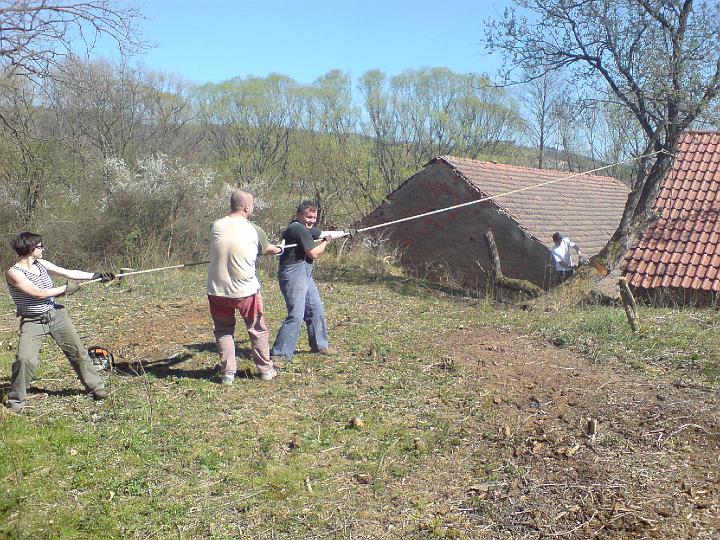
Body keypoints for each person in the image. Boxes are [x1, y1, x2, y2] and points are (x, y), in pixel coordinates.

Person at [4, 232, 115, 413]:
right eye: (40, 246)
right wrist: (65, 289)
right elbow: (37, 293)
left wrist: (96, 276)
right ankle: (16, 401)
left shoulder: (42, 264)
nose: (43, 249)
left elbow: (68, 272)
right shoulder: (13, 273)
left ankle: (95, 386)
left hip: (56, 315)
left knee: (78, 352)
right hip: (33, 321)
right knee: (24, 360)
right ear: (30, 248)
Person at [207, 189, 283, 385]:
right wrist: (280, 249)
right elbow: (267, 249)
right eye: (252, 205)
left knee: (223, 330)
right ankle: (266, 370)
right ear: (247, 207)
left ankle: (228, 374)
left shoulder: (215, 225)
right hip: (245, 292)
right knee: (257, 329)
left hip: (217, 291)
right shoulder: (255, 230)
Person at [271, 201, 336, 363]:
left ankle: (319, 345)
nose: (311, 220)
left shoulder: (306, 229)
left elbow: (321, 232)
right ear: (299, 215)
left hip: (305, 272)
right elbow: (313, 253)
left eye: (314, 217)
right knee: (296, 315)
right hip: (293, 274)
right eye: (308, 217)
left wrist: (347, 232)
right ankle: (279, 354)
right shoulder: (297, 228)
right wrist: (326, 242)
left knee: (315, 308)